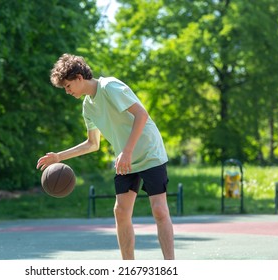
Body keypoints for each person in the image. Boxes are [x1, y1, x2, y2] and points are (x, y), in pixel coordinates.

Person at [36, 54, 175, 260]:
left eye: (67, 86)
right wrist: (59, 157)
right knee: (120, 212)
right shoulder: (87, 107)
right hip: (125, 159)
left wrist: (126, 151)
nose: (67, 91)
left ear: (79, 77)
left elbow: (141, 114)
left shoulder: (109, 87)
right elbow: (93, 144)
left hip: (148, 151)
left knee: (159, 211)